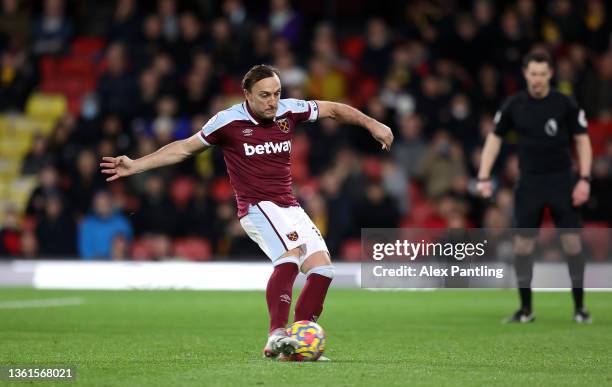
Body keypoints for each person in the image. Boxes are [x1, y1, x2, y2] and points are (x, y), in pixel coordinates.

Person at [100, 64, 393, 360]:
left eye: (277, 94)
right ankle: (276, 335)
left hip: (288, 205)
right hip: (256, 207)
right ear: (247, 95)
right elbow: (184, 148)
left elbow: (332, 109)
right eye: (265, 95)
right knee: (290, 256)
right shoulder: (227, 122)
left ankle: (297, 346)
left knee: (322, 270)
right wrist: (136, 164)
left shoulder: (288, 111)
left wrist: (372, 124)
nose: (272, 101)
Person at [477, 51, 593, 323]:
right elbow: (494, 141)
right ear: (525, 74)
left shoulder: (565, 103)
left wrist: (585, 179)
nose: (538, 79)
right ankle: (526, 309)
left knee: (572, 244)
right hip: (529, 182)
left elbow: (583, 140)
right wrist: (483, 176)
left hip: (562, 180)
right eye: (533, 74)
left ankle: (579, 307)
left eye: (543, 74)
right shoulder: (513, 105)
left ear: (550, 74)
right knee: (522, 247)